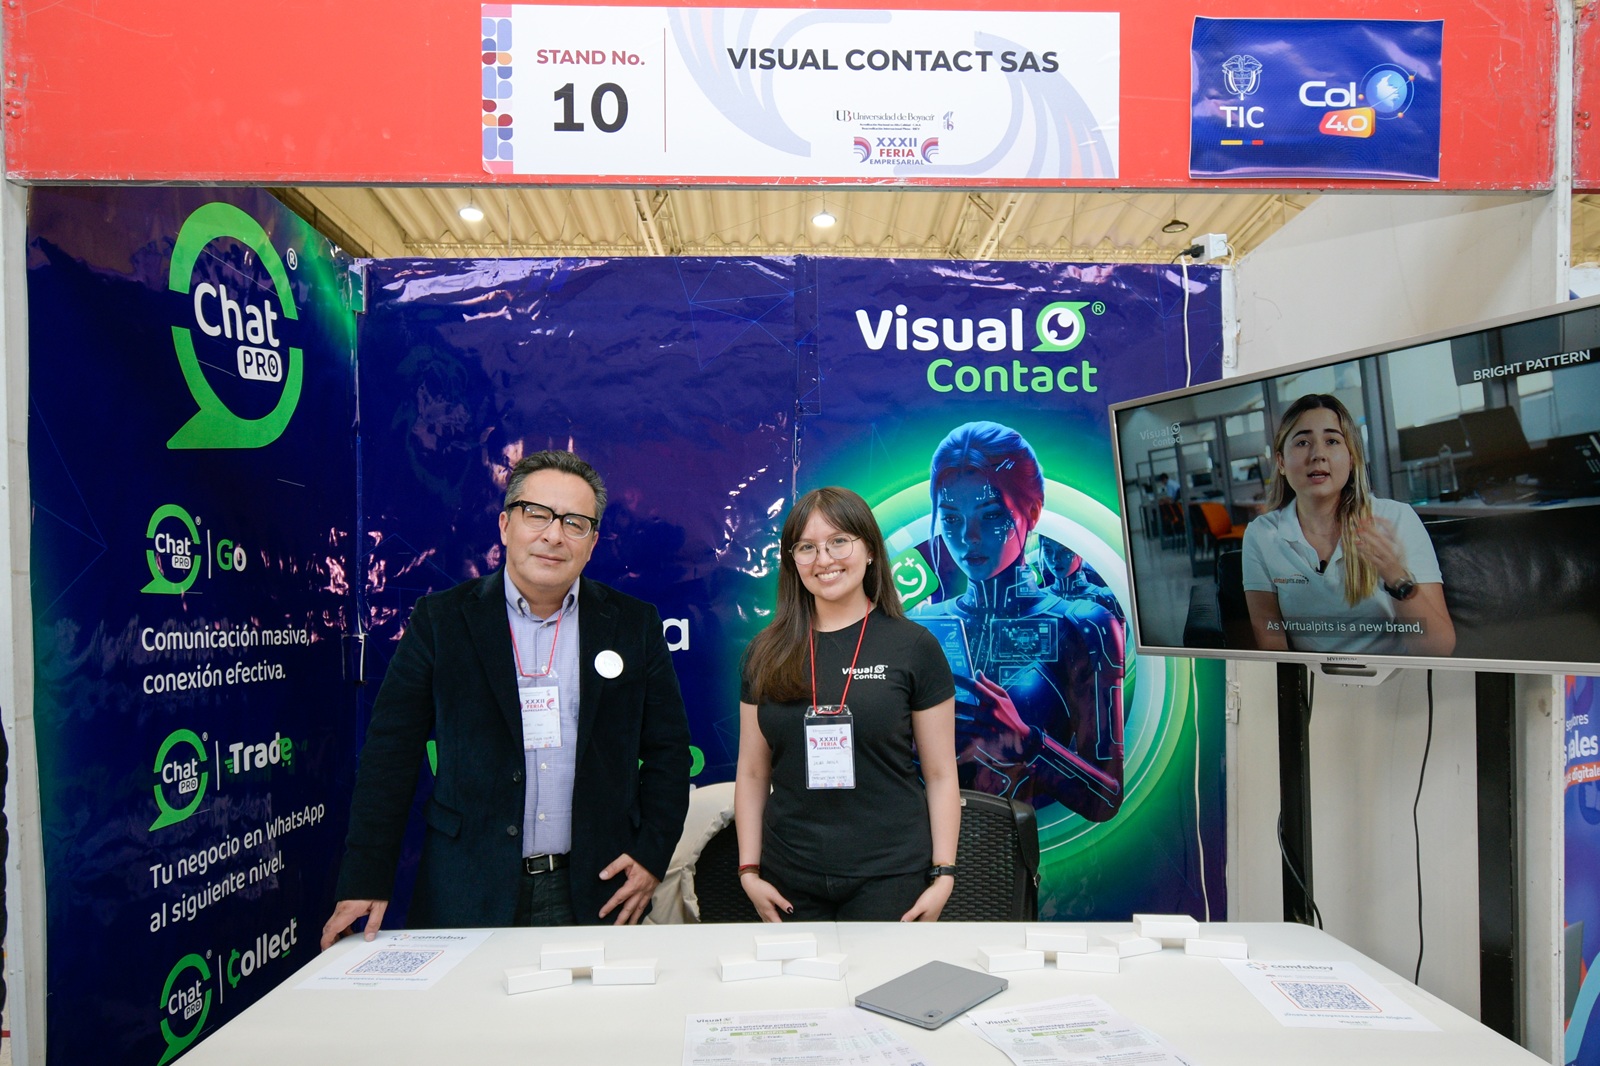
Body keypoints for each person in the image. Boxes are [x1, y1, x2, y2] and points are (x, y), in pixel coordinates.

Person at [321, 450, 692, 946]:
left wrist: (651, 856)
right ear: (505, 524)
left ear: (592, 543)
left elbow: (669, 753)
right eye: (537, 514)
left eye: (575, 523)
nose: (554, 535)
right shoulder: (441, 621)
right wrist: (365, 878)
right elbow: (391, 757)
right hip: (465, 889)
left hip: (597, 891)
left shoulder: (632, 624)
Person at [735, 487, 960, 922]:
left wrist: (944, 873)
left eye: (839, 541)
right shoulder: (765, 653)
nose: (824, 559)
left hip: (891, 874)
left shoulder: (914, 647)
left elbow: (940, 773)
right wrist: (749, 871)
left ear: (870, 550)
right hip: (788, 875)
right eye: (806, 547)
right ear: (792, 561)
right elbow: (752, 772)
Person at [915, 422, 1126, 822]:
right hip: (920, 842)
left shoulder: (1084, 626)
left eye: (991, 515)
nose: (969, 536)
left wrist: (1028, 743)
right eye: (952, 518)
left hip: (1023, 844)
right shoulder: (920, 624)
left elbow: (1105, 798)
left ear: (1032, 512)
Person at [1242, 394, 1455, 656]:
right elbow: (1271, 641)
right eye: (1302, 442)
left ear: (1352, 458)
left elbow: (1438, 649)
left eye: (1332, 441)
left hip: (1394, 675)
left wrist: (1394, 575)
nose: (1318, 455)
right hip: (1311, 677)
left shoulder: (1397, 518)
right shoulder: (1261, 534)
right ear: (1281, 462)